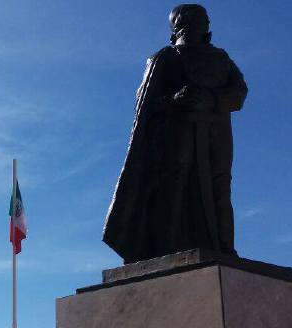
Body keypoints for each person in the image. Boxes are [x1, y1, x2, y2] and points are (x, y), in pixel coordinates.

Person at [103, 4, 248, 263]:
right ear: (177, 27)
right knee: (174, 186)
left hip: (216, 133)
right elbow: (146, 106)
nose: (196, 26)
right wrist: (176, 99)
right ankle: (166, 248)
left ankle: (225, 248)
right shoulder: (165, 59)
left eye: (200, 21)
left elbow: (239, 93)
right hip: (176, 132)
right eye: (189, 22)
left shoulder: (221, 59)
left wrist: (212, 99)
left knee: (220, 186)